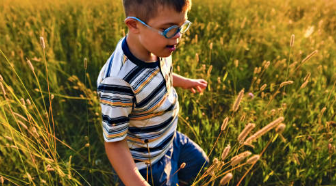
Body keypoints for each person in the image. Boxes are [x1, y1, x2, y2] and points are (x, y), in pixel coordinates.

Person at [97, 0, 209, 185]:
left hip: (171, 138)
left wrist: (185, 82)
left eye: (181, 26)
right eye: (169, 28)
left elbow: (158, 75)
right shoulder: (117, 82)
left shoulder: (157, 46)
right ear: (134, 25)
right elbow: (115, 144)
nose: (178, 36)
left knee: (202, 167)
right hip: (148, 162)